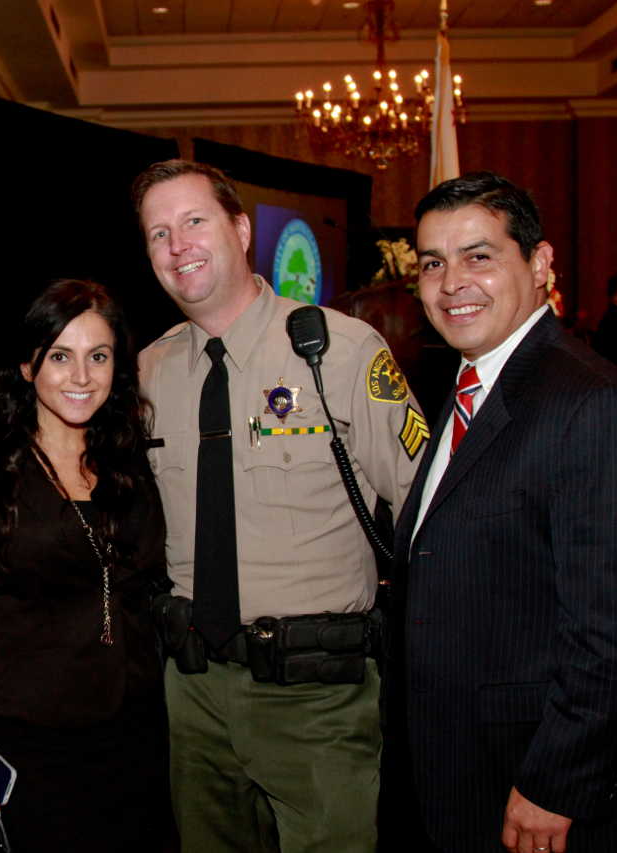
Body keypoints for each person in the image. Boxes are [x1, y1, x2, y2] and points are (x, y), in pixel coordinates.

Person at [132, 159, 423, 853]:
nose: (178, 245)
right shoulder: (147, 372)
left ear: (239, 228)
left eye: (194, 221)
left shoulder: (340, 351)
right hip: (194, 697)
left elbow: (430, 509)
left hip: (316, 698)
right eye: (158, 234)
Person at [394, 172, 617, 853]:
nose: (452, 283)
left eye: (479, 256)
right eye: (433, 263)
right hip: (463, 773)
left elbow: (616, 635)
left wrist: (559, 781)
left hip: (542, 793)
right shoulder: (469, 386)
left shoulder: (594, 405)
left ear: (540, 264)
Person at [0, 280, 170, 852]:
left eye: (99, 356)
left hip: (136, 730)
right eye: (61, 357)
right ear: (27, 366)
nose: (82, 376)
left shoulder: (130, 456)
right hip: (35, 741)